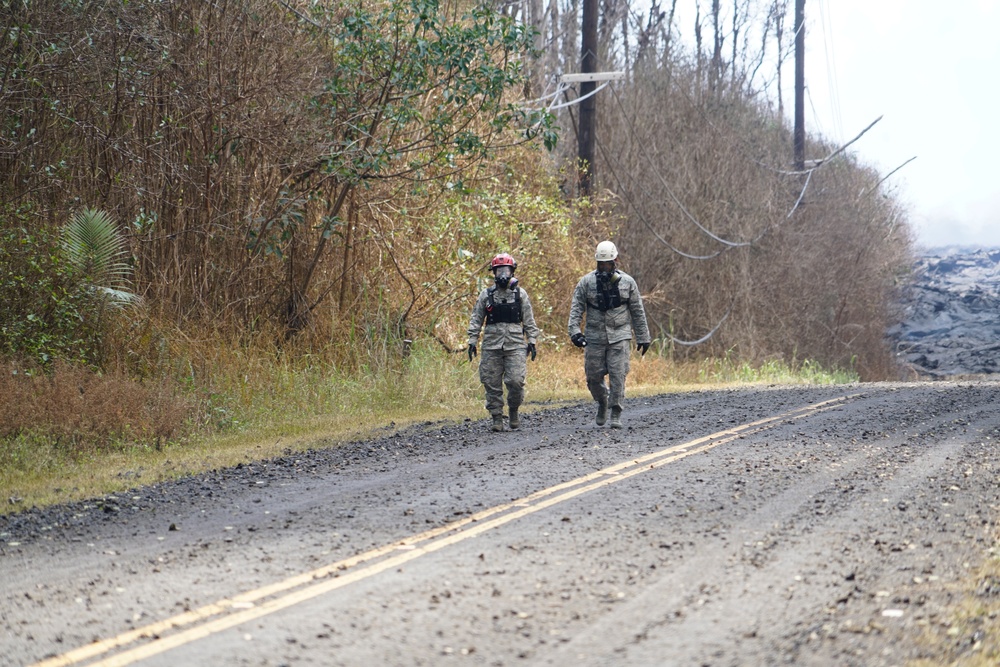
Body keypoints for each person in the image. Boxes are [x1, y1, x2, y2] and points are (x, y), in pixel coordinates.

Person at [567, 240, 651, 429]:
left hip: (619, 336)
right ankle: (602, 402)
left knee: (618, 375)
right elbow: (576, 309)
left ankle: (615, 412)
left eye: (608, 264)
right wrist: (575, 332)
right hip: (594, 337)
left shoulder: (628, 283)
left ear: (615, 262)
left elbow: (637, 310)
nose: (604, 268)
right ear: (597, 264)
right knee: (593, 377)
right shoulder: (586, 283)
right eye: (601, 264)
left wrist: (643, 337)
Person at [467, 253, 541, 432]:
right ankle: (496, 417)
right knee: (491, 382)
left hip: (515, 345)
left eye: (506, 270)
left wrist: (532, 340)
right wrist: (472, 340)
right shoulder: (486, 295)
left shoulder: (520, 294)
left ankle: (513, 410)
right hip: (491, 346)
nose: (502, 274)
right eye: (499, 271)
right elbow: (476, 318)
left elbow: (529, 320)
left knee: (516, 381)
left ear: (512, 271)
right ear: (493, 273)